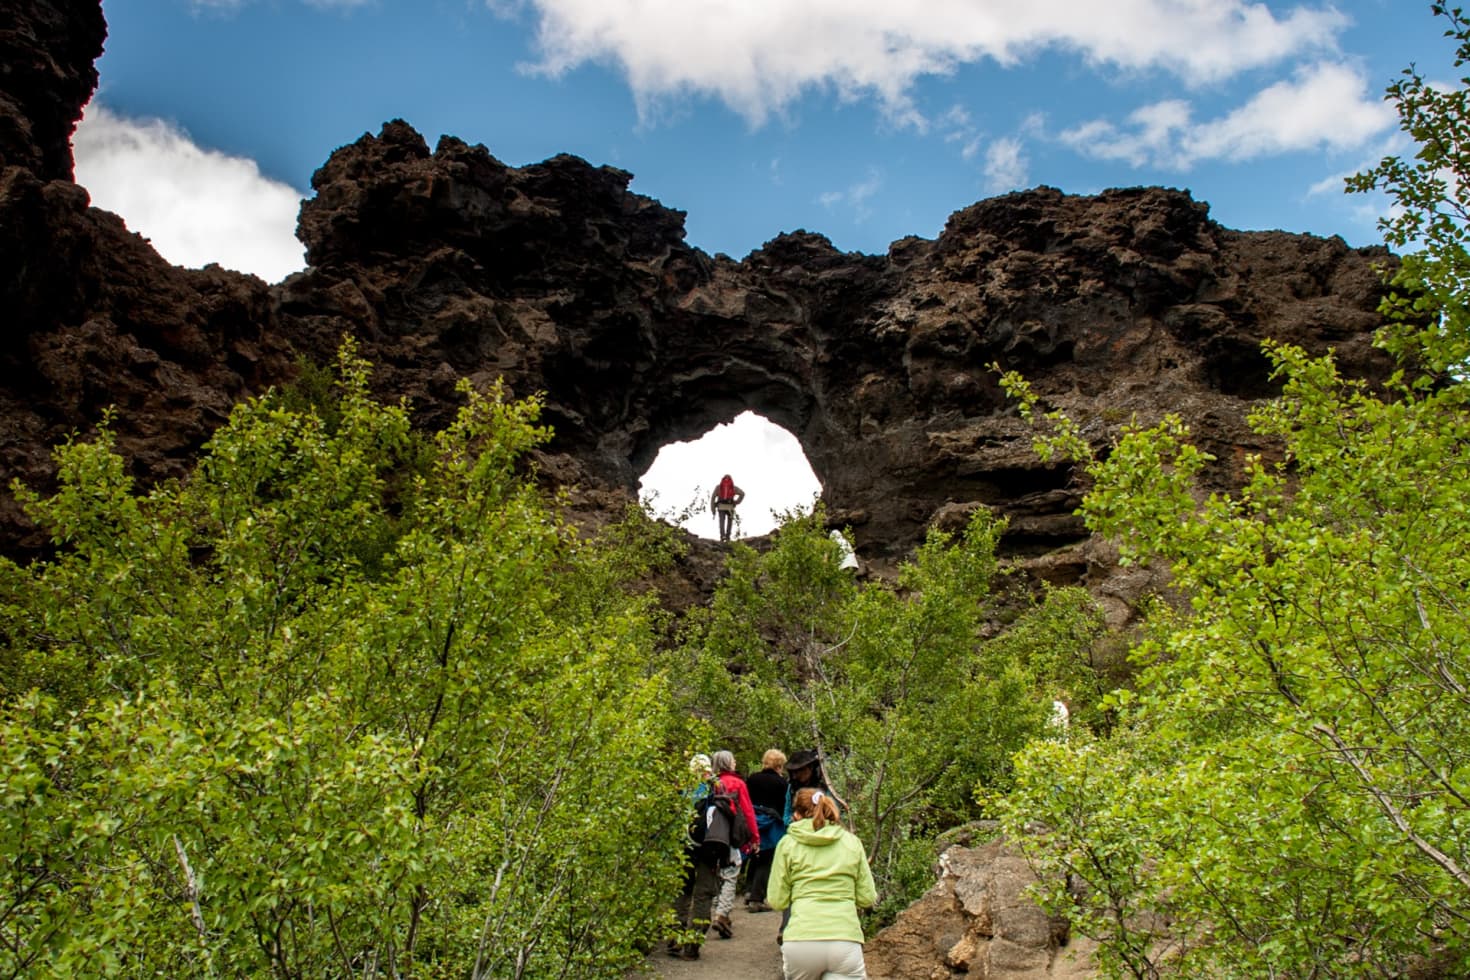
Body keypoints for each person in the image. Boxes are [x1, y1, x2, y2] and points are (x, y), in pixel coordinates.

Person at [768, 787, 878, 980]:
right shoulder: (851, 842)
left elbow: (777, 900)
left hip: (801, 940)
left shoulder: (787, 844)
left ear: (796, 814)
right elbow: (867, 897)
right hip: (844, 938)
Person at [671, 753, 720, 960]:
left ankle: (674, 938)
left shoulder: (682, 789)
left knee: (682, 891)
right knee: (703, 895)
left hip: (683, 847)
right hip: (708, 848)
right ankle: (692, 945)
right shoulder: (716, 789)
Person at [709, 749, 760, 939]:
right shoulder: (737, 784)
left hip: (710, 837)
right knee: (731, 875)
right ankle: (722, 914)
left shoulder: (711, 784)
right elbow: (747, 812)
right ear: (728, 763)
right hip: (731, 836)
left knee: (715, 875)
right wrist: (754, 837)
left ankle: (717, 910)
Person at [744, 749, 788, 912]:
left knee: (754, 856)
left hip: (753, 822)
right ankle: (757, 898)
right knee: (767, 859)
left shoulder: (752, 779)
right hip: (771, 825)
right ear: (779, 765)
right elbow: (784, 806)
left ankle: (749, 891)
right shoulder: (782, 783)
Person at [710, 474, 745, 542]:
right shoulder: (733, 488)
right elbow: (742, 493)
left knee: (721, 522)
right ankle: (728, 537)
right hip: (730, 507)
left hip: (721, 507)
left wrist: (713, 509)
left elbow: (713, 498)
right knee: (729, 522)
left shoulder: (718, 487)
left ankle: (722, 536)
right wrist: (736, 502)